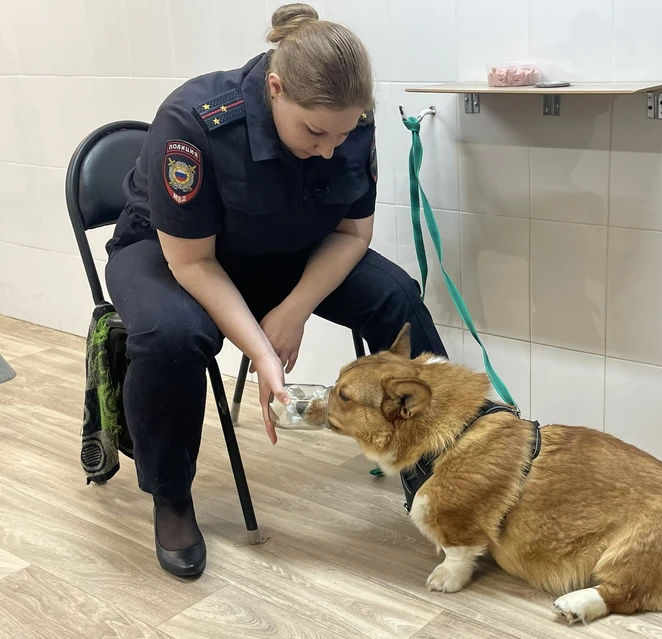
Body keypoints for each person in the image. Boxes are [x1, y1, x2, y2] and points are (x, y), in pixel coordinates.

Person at [104, 3, 446, 578]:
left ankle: (436, 458)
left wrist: (293, 311)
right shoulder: (194, 121)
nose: (330, 149)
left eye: (343, 133)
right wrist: (263, 352)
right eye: (315, 132)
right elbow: (193, 260)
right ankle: (171, 495)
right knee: (171, 337)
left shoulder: (351, 119)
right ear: (275, 88)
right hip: (173, 254)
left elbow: (352, 234)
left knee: (397, 297)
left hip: (285, 249)